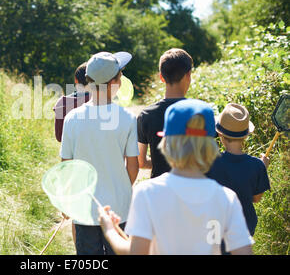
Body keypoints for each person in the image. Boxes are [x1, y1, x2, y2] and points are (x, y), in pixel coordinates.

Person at [99, 99, 254, 255]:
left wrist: (110, 230)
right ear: (209, 145)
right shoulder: (227, 198)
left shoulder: (146, 193)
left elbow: (136, 252)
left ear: (167, 143)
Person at [60, 51, 139, 255]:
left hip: (85, 207)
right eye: (120, 76)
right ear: (115, 82)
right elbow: (133, 166)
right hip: (119, 209)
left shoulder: (71, 118)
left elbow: (66, 165)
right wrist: (120, 188)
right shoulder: (127, 118)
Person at [206, 103, 271, 254]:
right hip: (244, 225)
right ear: (246, 135)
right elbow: (256, 198)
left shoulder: (210, 162)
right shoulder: (257, 166)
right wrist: (262, 168)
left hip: (215, 226)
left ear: (220, 134)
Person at [137, 48, 193, 178]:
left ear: (161, 77)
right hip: (192, 191)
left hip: (159, 191)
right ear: (188, 75)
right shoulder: (199, 112)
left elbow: (141, 162)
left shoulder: (146, 115)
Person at [53, 62, 91, 142]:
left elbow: (59, 137)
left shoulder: (61, 103)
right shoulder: (98, 101)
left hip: (70, 152)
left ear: (76, 80)